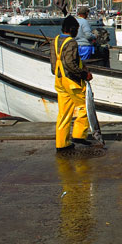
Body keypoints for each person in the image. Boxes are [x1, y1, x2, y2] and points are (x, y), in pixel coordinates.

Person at [50, 15, 93, 153]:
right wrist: (83, 74)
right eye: (77, 29)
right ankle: (79, 135)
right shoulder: (71, 43)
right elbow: (70, 63)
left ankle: (62, 143)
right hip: (71, 81)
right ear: (72, 29)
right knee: (83, 107)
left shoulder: (55, 40)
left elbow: (53, 63)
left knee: (64, 113)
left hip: (59, 80)